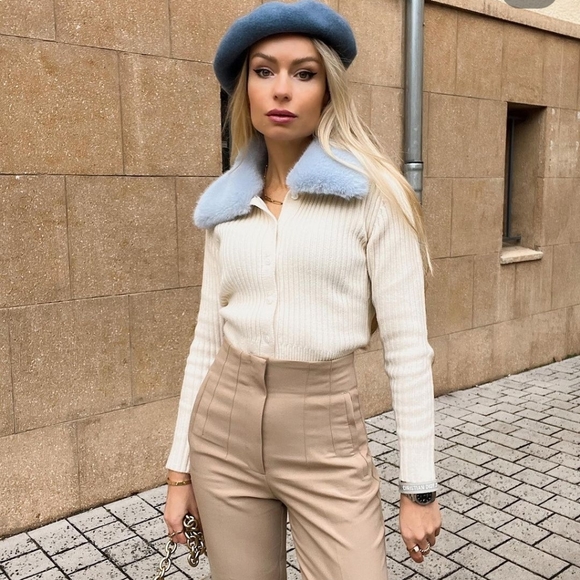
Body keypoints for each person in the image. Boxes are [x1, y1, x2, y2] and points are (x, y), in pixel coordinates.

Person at [164, 1, 441, 578]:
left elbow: (408, 349)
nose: (282, 90)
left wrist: (419, 488)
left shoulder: (374, 195)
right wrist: (179, 471)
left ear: (329, 88)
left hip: (326, 435)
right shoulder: (226, 203)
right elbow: (206, 338)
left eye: (304, 73)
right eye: (264, 71)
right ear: (244, 88)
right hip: (223, 434)